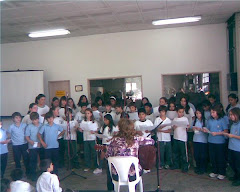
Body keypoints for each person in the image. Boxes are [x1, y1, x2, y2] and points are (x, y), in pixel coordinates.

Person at [105, 118, 154, 191]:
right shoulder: (136, 139)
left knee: (108, 165)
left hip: (117, 175)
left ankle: (111, 189)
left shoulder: (114, 141)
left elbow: (107, 156)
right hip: (132, 175)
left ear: (119, 128)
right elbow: (152, 141)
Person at [204, 104, 228, 180]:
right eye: (211, 112)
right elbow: (208, 128)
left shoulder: (222, 120)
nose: (212, 114)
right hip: (211, 140)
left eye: (214, 112)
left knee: (220, 157)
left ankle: (222, 172)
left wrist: (217, 133)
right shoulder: (210, 120)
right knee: (212, 157)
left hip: (220, 142)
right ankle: (214, 171)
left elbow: (225, 131)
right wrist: (205, 130)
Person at [224, 108, 240, 186]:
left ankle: (239, 179)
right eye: (230, 115)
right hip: (231, 147)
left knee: (238, 165)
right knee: (232, 163)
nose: (231, 116)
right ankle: (236, 176)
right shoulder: (233, 124)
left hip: (238, 148)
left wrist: (232, 135)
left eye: (232, 115)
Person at [171, 106, 190, 173]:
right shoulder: (175, 119)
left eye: (182, 112)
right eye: (179, 112)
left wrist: (187, 127)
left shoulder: (185, 119)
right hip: (176, 137)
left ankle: (185, 166)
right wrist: (174, 127)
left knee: (183, 153)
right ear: (177, 112)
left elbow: (187, 128)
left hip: (182, 138)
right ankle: (176, 164)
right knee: (175, 152)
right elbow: (172, 128)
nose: (181, 113)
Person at [25, 112, 42, 181]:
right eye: (33, 120)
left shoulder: (42, 125)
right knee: (33, 161)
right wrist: (31, 142)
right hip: (32, 146)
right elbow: (27, 136)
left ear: (38, 119)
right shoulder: (29, 126)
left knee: (42, 159)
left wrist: (42, 143)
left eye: (36, 119)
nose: (35, 121)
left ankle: (42, 173)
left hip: (41, 145)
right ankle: (33, 174)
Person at [192, 108, 208, 175]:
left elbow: (207, 131)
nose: (198, 115)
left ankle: (203, 168)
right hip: (196, 139)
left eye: (199, 113)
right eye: (197, 113)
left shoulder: (205, 121)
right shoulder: (195, 121)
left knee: (202, 155)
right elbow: (191, 126)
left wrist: (200, 129)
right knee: (196, 155)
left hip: (203, 140)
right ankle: (198, 167)